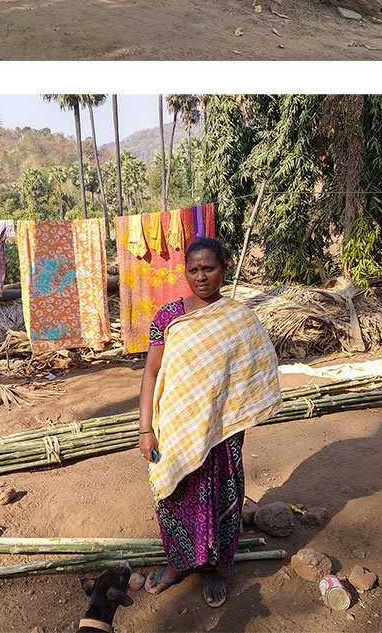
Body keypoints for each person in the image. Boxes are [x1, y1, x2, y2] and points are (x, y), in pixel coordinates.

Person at [139, 237, 281, 609]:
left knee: (218, 495)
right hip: (174, 428)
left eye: (209, 268)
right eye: (193, 269)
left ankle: (211, 568)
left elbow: (254, 372)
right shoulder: (168, 317)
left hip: (222, 431)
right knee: (174, 495)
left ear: (224, 268)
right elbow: (151, 374)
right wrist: (145, 428)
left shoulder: (239, 319)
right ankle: (178, 563)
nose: (201, 276)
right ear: (184, 271)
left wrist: (235, 412)